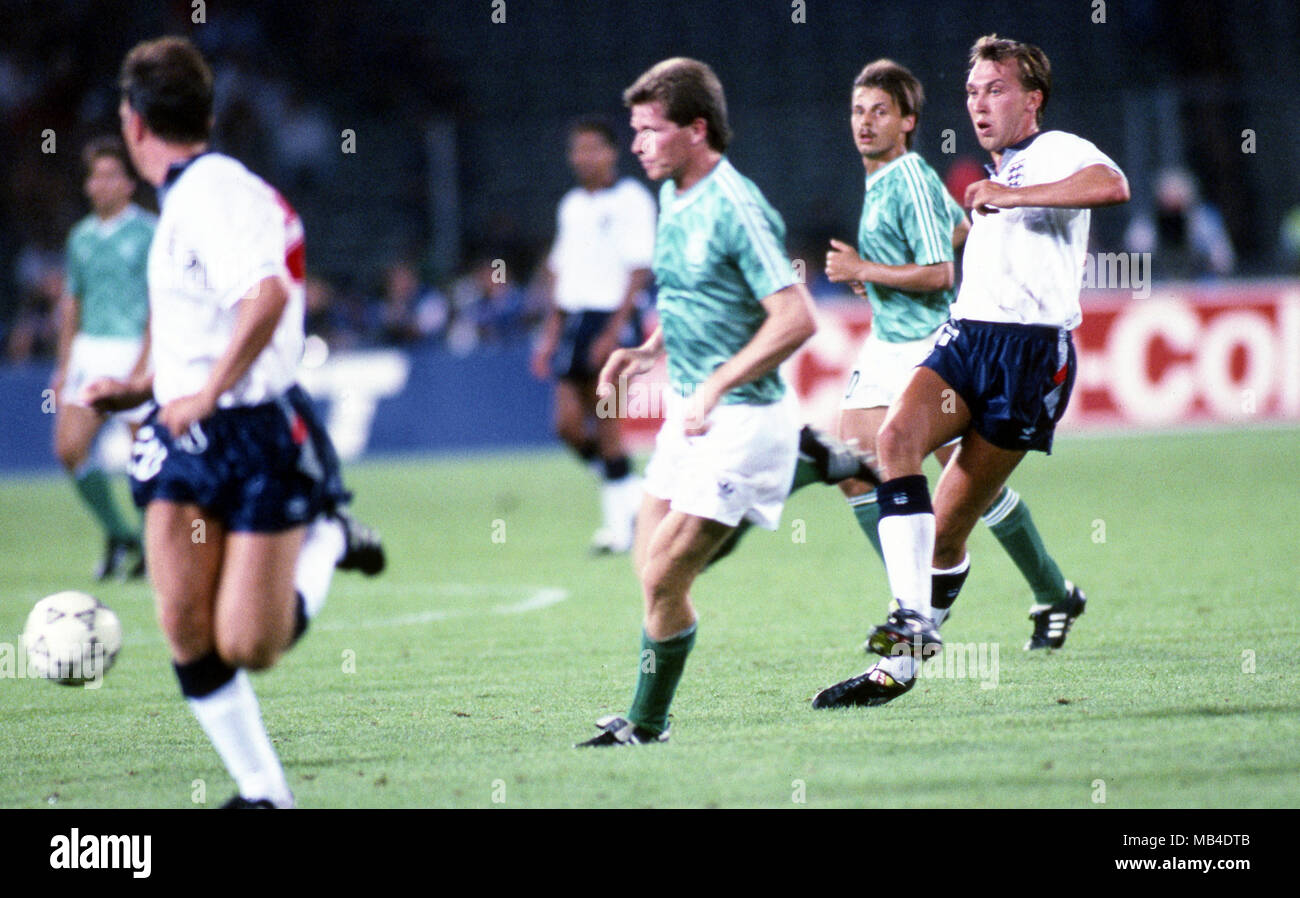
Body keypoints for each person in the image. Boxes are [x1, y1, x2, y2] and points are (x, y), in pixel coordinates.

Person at [86, 36, 384, 808]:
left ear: (133, 123)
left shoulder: (214, 193)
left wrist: (208, 392)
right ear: (207, 114)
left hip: (253, 429)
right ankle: (265, 794)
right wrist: (143, 384)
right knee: (185, 625)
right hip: (183, 433)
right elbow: (203, 317)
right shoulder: (188, 198)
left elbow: (266, 298)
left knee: (252, 643)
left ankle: (328, 535)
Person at [814, 35, 1129, 707]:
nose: (980, 104)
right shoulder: (990, 173)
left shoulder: (1056, 151)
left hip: (1033, 357)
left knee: (951, 528)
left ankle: (907, 658)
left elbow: (1113, 184)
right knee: (892, 444)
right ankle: (910, 625)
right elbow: (964, 247)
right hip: (967, 338)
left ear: (1031, 99)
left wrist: (1014, 199)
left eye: (996, 90)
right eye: (972, 92)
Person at [576, 58, 818, 746]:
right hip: (690, 416)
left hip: (741, 420)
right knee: (648, 569)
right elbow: (694, 295)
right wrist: (647, 350)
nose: (637, 144)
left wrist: (716, 383)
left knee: (661, 574)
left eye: (651, 130)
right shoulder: (671, 194)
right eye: (635, 130)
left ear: (696, 130)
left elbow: (795, 318)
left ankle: (647, 724)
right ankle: (806, 470)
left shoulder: (735, 205)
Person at [531, 117, 656, 554]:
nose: (583, 157)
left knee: (607, 422)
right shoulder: (571, 206)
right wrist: (550, 333)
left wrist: (615, 328)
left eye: (591, 148)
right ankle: (632, 497)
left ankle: (619, 530)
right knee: (566, 425)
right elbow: (562, 272)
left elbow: (640, 269)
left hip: (613, 317)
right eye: (576, 149)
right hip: (576, 320)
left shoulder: (632, 200)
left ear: (611, 152)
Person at [51, 137, 154, 579]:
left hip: (136, 350)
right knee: (69, 449)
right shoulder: (81, 238)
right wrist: (63, 365)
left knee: (147, 458)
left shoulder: (150, 231)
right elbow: (72, 303)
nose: (101, 184)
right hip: (90, 352)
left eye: (112, 175)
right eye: (95, 176)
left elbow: (161, 302)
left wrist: (146, 362)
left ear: (129, 184)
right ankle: (120, 534)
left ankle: (154, 550)